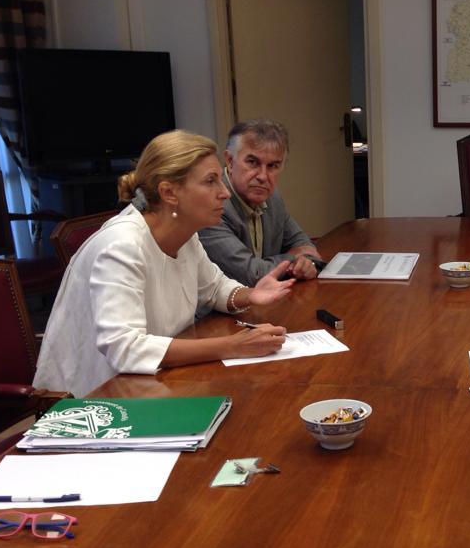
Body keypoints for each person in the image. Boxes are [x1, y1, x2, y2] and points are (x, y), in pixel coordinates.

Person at [34, 130, 294, 398]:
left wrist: (251, 294)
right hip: (91, 399)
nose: (225, 193)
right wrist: (232, 346)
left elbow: (215, 288)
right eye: (210, 181)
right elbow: (125, 348)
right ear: (169, 192)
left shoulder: (185, 234)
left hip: (153, 382)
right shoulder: (121, 246)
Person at [198, 119, 324, 286]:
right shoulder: (212, 204)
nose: (263, 176)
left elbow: (304, 245)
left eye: (272, 166)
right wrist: (294, 259)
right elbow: (251, 274)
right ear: (229, 160)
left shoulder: (272, 197)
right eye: (252, 162)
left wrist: (307, 262)